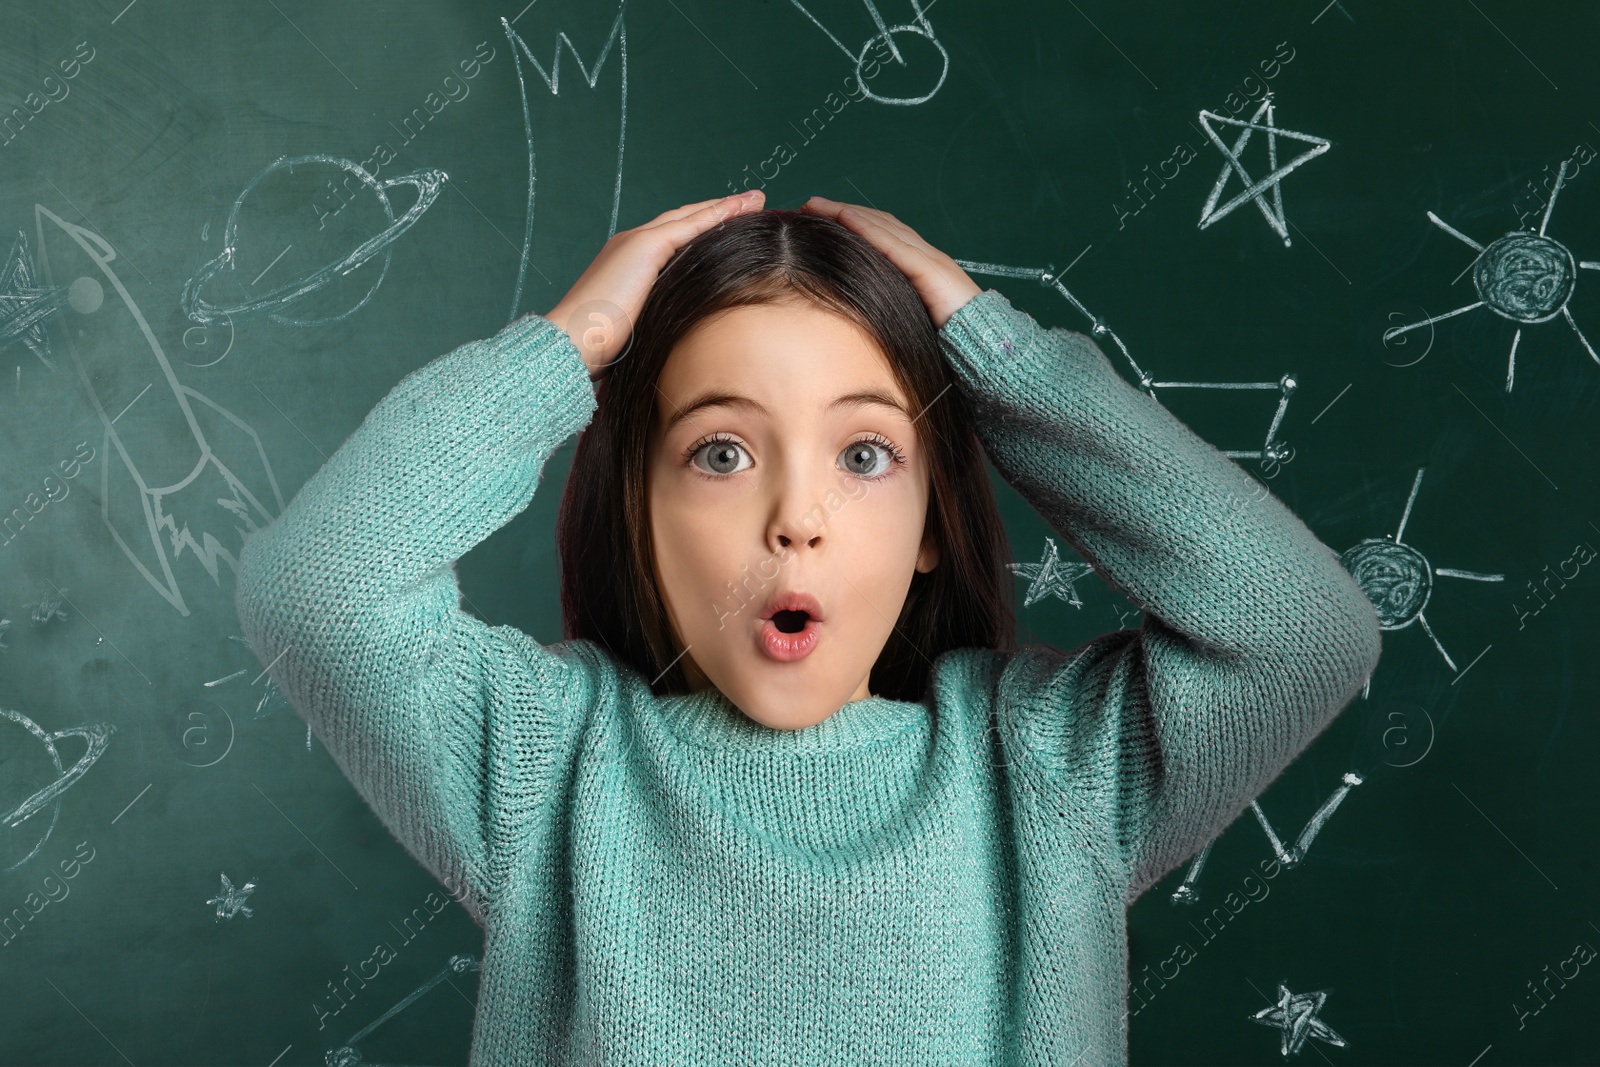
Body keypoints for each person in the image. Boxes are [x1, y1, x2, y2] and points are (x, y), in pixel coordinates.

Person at [234, 189, 1382, 1066]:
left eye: (866, 454)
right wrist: (568, 342)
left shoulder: (1048, 770)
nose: (797, 518)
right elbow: (317, 590)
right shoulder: (547, 761)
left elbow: (1302, 630)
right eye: (721, 453)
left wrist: (1009, 368)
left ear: (933, 521)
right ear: (641, 511)